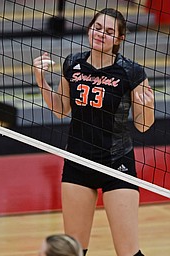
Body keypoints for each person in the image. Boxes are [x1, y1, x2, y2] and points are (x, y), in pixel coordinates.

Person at [33, 8, 154, 256]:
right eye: (98, 28)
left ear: (119, 39)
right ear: (90, 29)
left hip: (117, 163)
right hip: (78, 161)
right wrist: (41, 81)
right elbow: (60, 110)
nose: (101, 34)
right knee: (73, 251)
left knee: (128, 252)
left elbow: (143, 125)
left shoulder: (131, 72)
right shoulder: (72, 64)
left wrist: (147, 106)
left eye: (109, 32)